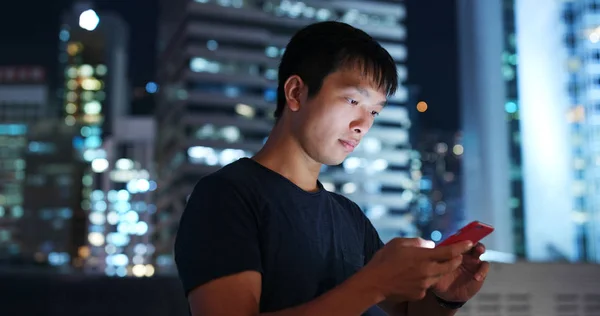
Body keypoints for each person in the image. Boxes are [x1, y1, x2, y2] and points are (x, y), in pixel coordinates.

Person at [174, 21, 489, 316]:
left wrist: (445, 297)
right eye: (353, 101)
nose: (362, 125)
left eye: (374, 112)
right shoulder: (226, 197)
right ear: (296, 92)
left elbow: (404, 310)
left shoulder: (348, 215)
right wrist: (375, 282)